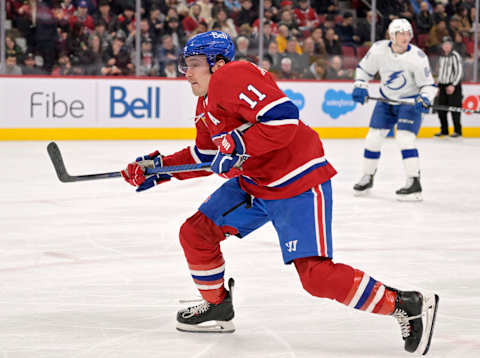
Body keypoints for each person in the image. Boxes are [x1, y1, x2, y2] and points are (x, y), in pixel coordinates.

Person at [121, 31, 439, 355]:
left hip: (296, 180)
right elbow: (206, 157)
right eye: (184, 65)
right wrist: (158, 169)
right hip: (255, 183)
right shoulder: (205, 104)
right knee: (195, 233)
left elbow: (284, 118)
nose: (185, 73)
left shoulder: (231, 75)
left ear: (217, 64)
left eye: (193, 64)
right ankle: (217, 306)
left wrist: (238, 145)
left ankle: (404, 304)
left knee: (316, 276)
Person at [352, 18, 437, 201]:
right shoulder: (378, 49)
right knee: (373, 138)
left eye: (408, 34)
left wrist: (425, 98)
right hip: (385, 100)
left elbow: (429, 85)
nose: (405, 37)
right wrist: (360, 85)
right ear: (392, 35)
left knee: (405, 139)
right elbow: (364, 70)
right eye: (401, 34)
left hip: (409, 103)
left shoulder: (418, 57)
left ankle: (414, 182)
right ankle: (368, 176)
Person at [434, 36, 463, 138]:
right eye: (444, 44)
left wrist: (453, 85)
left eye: (448, 44)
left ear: (451, 45)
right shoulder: (441, 56)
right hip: (442, 85)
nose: (446, 46)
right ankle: (444, 130)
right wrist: (437, 85)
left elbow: (459, 72)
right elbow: (440, 72)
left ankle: (457, 131)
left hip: (453, 85)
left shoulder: (455, 56)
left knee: (455, 109)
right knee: (441, 109)